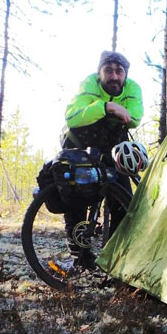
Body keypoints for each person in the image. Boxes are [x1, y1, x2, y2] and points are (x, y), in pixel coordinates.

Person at [62, 50, 144, 269]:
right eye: (108, 70)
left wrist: (112, 110)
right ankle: (81, 259)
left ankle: (113, 262)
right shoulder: (89, 85)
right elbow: (73, 116)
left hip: (113, 150)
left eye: (119, 71)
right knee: (75, 200)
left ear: (126, 75)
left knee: (123, 204)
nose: (114, 76)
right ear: (99, 73)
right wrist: (107, 107)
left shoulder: (133, 88)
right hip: (80, 148)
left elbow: (134, 117)